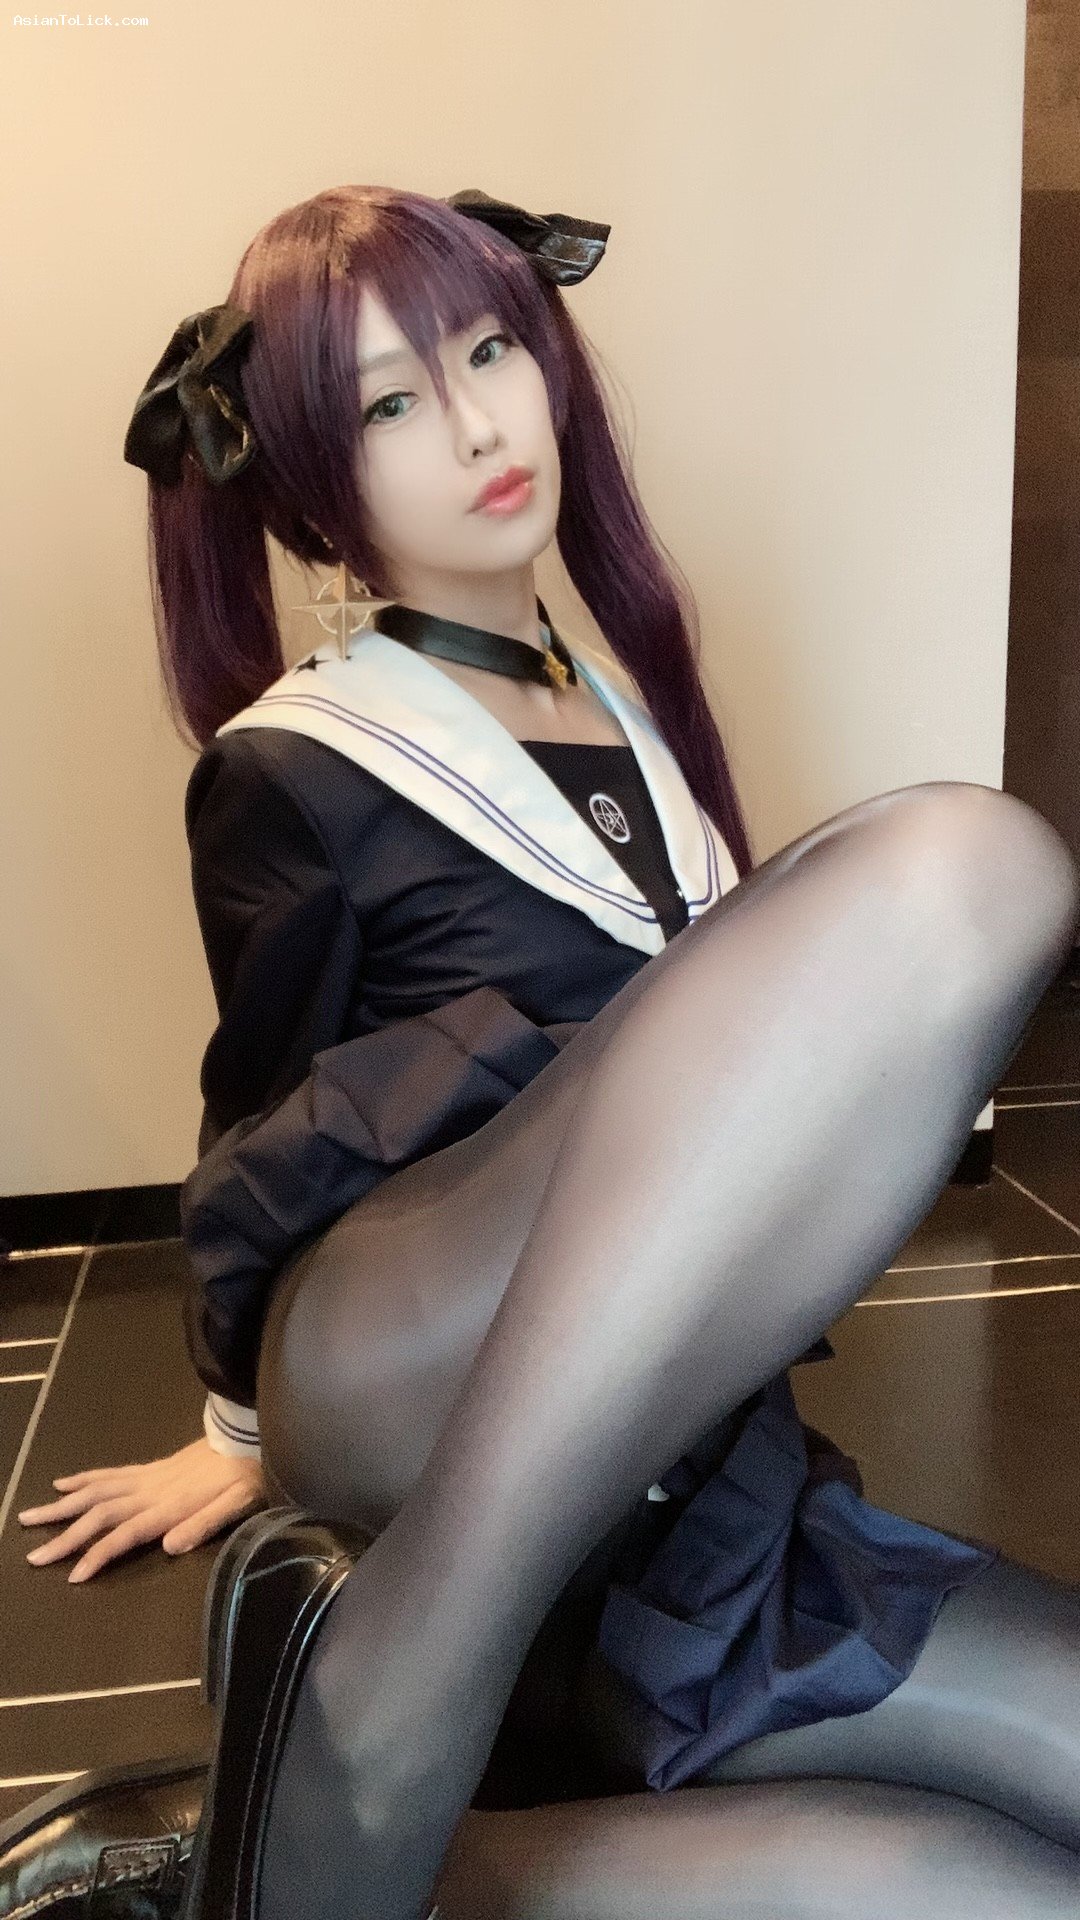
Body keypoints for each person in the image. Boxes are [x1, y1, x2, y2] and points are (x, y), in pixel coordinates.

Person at [11, 182, 1080, 1920]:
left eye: (490, 350)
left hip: (662, 1467)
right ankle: (386, 1691)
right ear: (314, 486)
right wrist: (238, 1427)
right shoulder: (300, 763)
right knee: (970, 864)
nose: (478, 426)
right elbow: (269, 1107)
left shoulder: (621, 705)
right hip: (405, 1358)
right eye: (390, 403)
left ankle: (305, 1845)